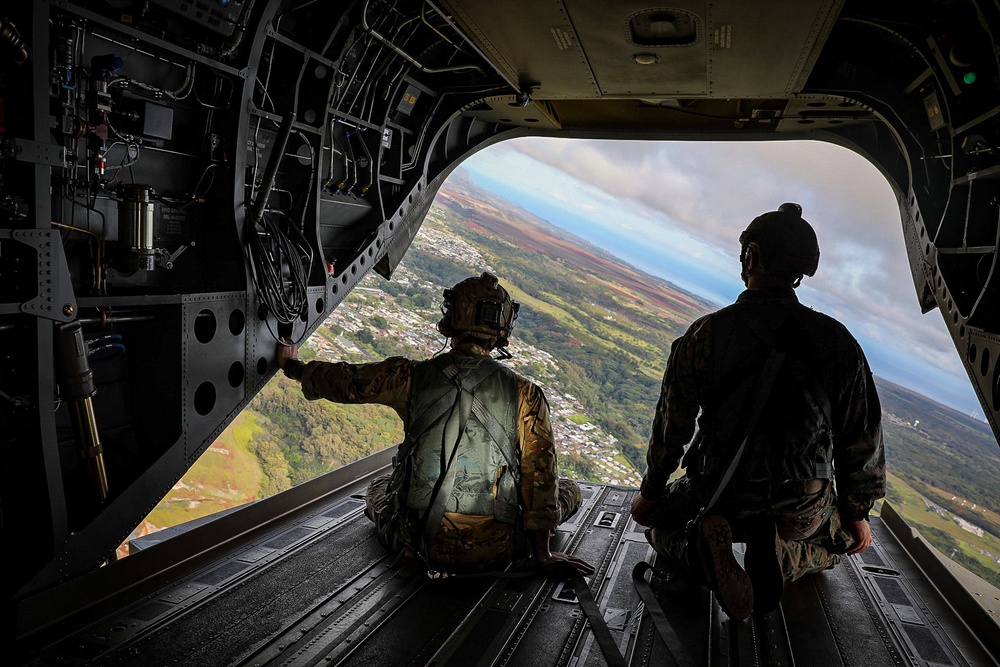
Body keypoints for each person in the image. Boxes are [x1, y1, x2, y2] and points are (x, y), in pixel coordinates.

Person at [630, 203, 885, 621]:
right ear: (801, 270)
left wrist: (652, 490)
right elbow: (862, 442)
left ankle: (701, 551)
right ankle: (784, 558)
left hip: (718, 493)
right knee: (841, 547)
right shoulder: (838, 343)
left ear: (750, 256)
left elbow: (671, 425)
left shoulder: (707, 333)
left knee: (657, 528)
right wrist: (856, 515)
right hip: (800, 507)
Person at [276, 272, 593, 577]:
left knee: (379, 487)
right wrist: (543, 555)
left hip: (414, 543)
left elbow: (343, 382)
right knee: (569, 489)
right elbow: (541, 474)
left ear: (450, 319)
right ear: (503, 330)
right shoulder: (527, 395)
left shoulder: (409, 377)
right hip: (497, 548)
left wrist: (293, 366)